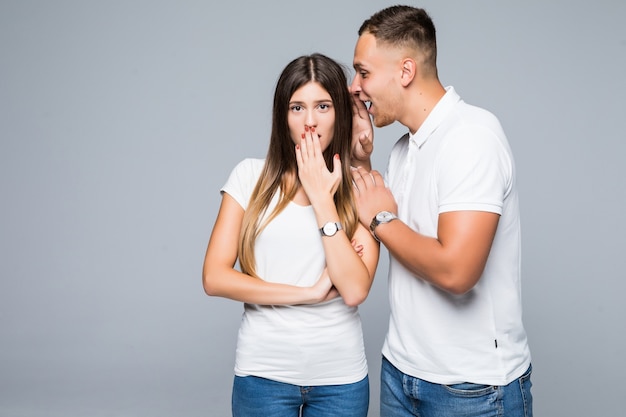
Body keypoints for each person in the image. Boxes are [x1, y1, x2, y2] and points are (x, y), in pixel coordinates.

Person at [348, 5, 533, 417]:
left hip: (472, 389)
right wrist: (361, 162)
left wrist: (381, 220)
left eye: (363, 72)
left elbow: (457, 271)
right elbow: (376, 223)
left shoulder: (472, 137)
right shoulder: (402, 150)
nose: (353, 87)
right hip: (401, 373)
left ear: (406, 71)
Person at [202, 53, 379, 417]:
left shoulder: (360, 185)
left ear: (340, 115)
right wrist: (307, 294)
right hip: (263, 375)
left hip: (340, 379)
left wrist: (320, 195)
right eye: (297, 107)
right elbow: (214, 277)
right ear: (282, 116)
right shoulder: (249, 177)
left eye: (323, 106)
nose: (310, 121)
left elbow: (356, 288)